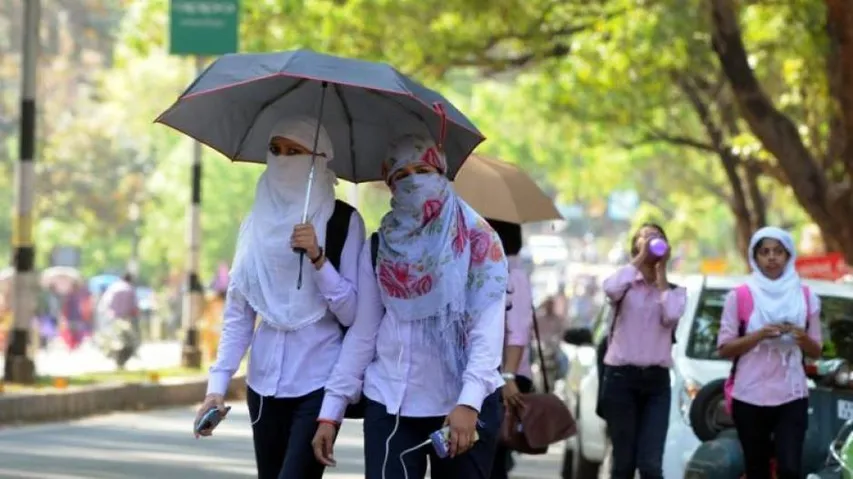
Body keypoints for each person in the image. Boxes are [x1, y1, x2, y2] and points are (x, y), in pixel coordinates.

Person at [312, 134, 508, 479]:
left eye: (423, 169)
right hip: (390, 402)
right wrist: (331, 410)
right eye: (401, 174)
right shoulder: (380, 246)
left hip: (461, 406)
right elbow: (364, 332)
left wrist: (469, 402)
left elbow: (486, 332)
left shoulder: (477, 240)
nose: (413, 181)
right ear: (390, 185)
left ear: (442, 173)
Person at [193, 116, 365, 479]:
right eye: (276, 150)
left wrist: (318, 258)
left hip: (320, 382)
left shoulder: (344, 222)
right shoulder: (255, 223)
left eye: (295, 152)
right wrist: (216, 389)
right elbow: (239, 314)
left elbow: (353, 314)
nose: (283, 159)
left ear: (319, 159)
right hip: (263, 385)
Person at [717, 227, 822, 479]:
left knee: (790, 468)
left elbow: (817, 350)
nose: (772, 257)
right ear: (755, 257)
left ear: (788, 255)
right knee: (757, 469)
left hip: (791, 395)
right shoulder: (739, 295)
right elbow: (724, 348)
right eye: (764, 252)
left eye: (778, 251)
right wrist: (760, 335)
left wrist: (800, 336)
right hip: (749, 395)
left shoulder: (806, 296)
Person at [598, 223, 687, 479]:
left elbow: (671, 316)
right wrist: (639, 259)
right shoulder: (625, 285)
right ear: (635, 246)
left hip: (656, 383)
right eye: (645, 237)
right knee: (623, 464)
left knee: (650, 465)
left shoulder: (675, 292)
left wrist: (661, 273)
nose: (651, 241)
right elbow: (609, 289)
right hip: (620, 379)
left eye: (657, 237)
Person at [486, 219, 534, 479]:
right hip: (493, 375)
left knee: (492, 457)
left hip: (506, 377)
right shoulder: (489, 268)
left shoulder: (513, 276)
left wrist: (508, 376)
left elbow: (518, 329)